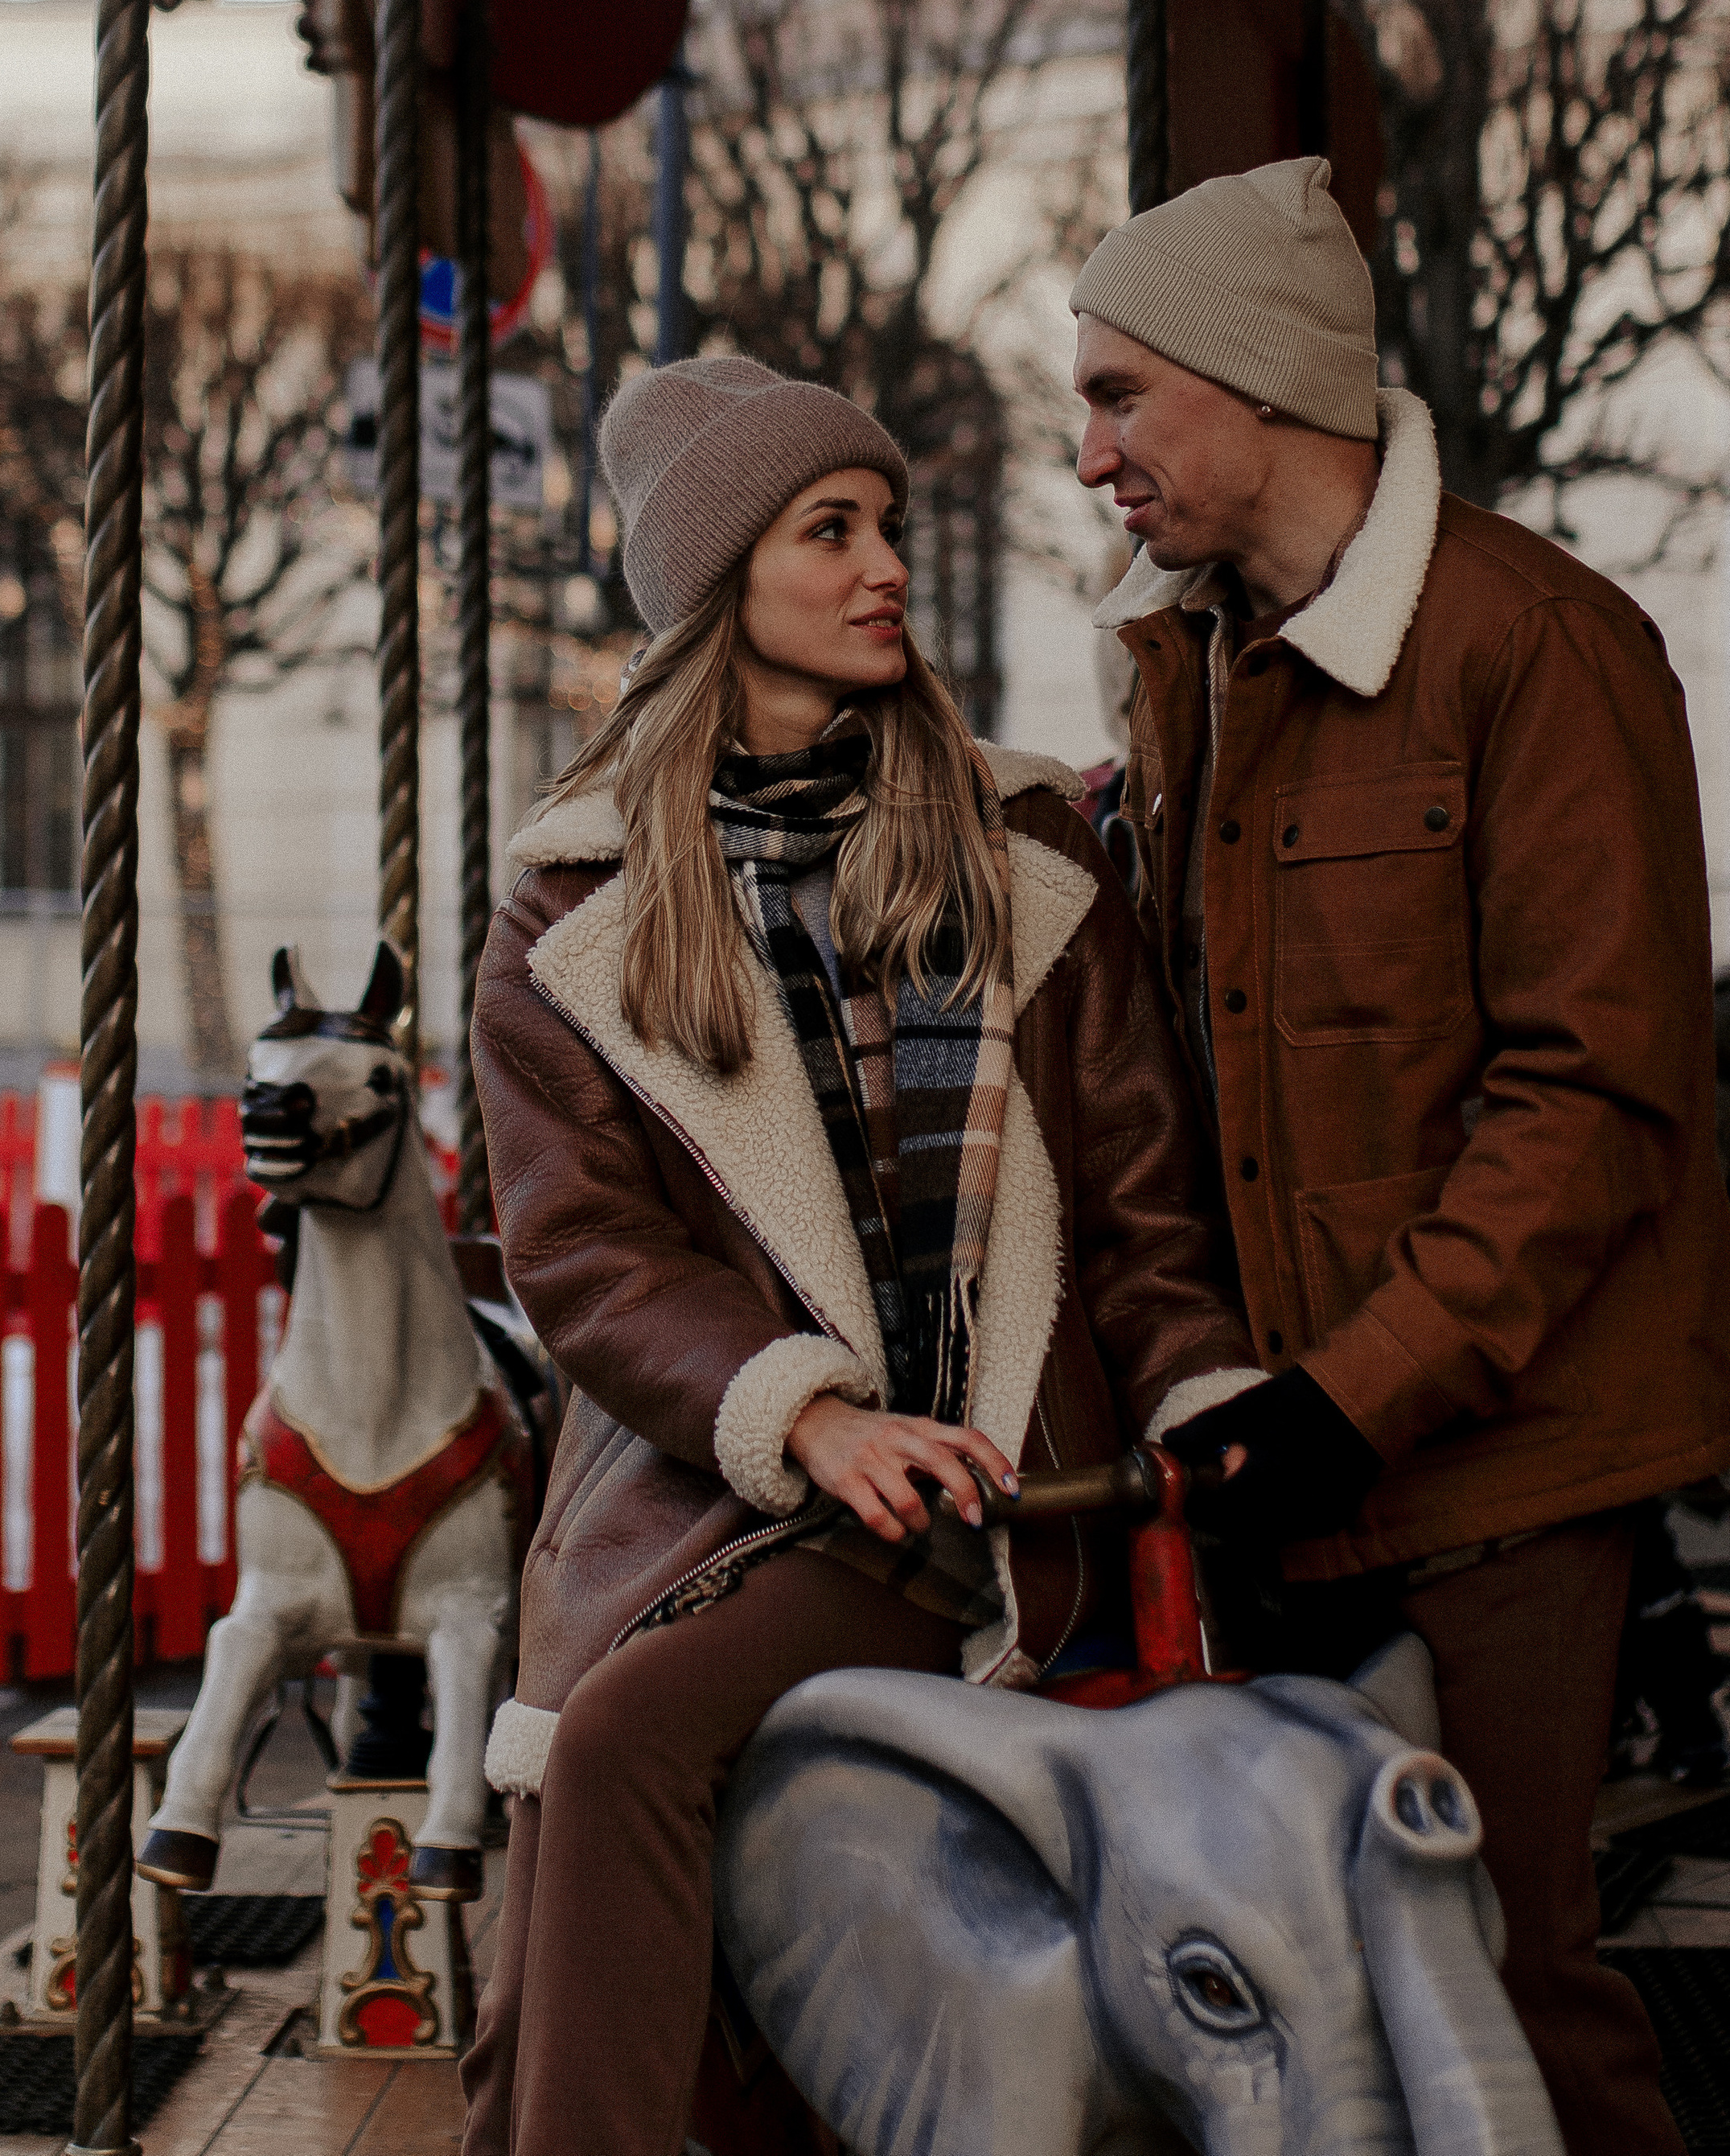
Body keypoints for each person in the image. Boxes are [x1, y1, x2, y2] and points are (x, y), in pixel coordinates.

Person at [463, 353, 1259, 2156]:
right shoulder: (568, 917)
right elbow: (579, 1258)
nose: (883, 562)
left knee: (622, 1753)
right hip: (726, 1488)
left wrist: (1199, 1388)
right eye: (830, 529)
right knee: (596, 1772)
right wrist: (803, 1416)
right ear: (719, 572)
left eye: (888, 522)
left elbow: (1138, 1203)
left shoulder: (1022, 848)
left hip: (982, 1490)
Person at [1067, 154, 1730, 2155]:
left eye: (1117, 394)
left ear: (1258, 385)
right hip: (1296, 1448)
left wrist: (1347, 1404)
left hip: (1503, 1461)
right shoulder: (1188, 669)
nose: (1084, 446)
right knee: (1326, 1991)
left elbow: (1593, 1096)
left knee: (1509, 1977)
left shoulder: (1536, 646)